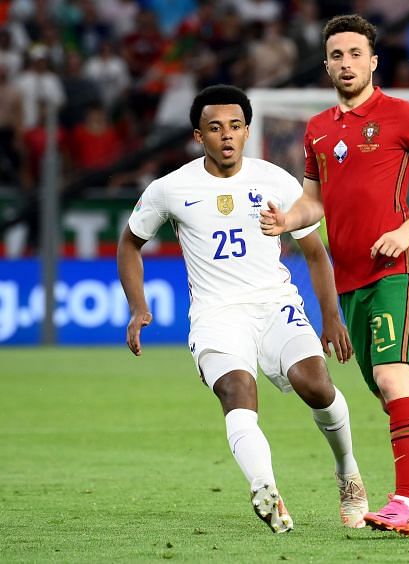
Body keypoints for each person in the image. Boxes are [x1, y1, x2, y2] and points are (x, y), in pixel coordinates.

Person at [260, 14, 409, 537]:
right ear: (326, 65)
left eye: (355, 54)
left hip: (398, 269)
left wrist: (407, 230)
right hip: (350, 282)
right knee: (393, 393)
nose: (346, 63)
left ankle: (406, 503)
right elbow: (313, 202)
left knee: (394, 380)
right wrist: (286, 219)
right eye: (336, 56)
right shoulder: (318, 128)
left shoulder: (402, 115)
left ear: (373, 60)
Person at [116, 84, 369, 533]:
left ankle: (348, 471)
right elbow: (130, 244)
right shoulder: (170, 188)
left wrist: (331, 316)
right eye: (215, 128)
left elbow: (314, 252)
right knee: (236, 391)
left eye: (234, 126)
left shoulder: (275, 180)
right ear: (199, 136)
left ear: (248, 131)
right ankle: (265, 490)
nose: (226, 135)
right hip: (216, 315)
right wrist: (138, 307)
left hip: (275, 304)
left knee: (316, 386)